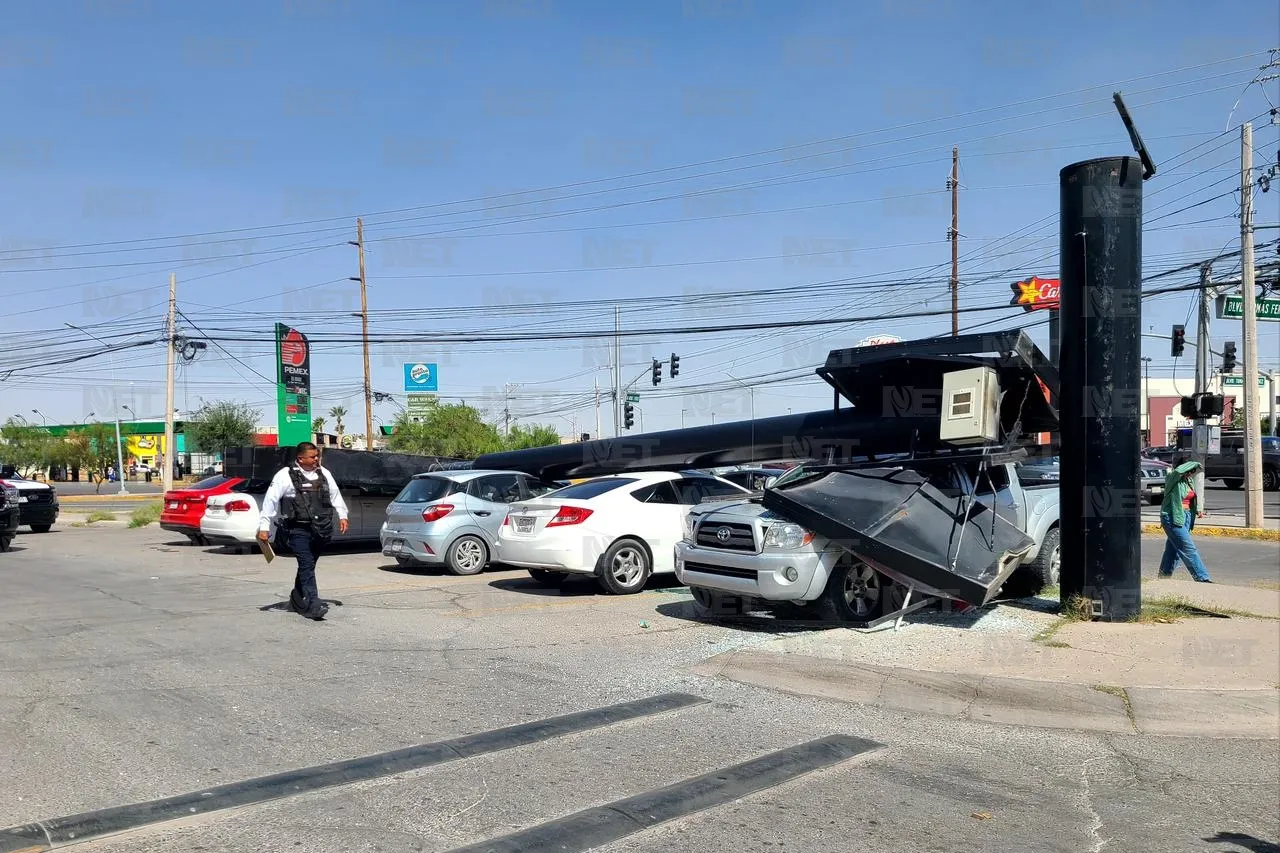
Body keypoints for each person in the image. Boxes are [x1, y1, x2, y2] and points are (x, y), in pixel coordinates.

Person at [257, 442, 350, 619]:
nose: (317, 459)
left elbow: (335, 494)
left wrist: (343, 515)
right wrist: (264, 526)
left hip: (320, 529)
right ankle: (313, 604)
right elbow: (271, 501)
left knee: (309, 566)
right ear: (301, 458)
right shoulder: (285, 475)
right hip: (297, 529)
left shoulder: (323, 473)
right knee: (306, 565)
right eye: (313, 456)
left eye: (317, 456)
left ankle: (297, 599)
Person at [1157, 460, 1212, 583]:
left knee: (1173, 550)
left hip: (1185, 516)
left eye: (1193, 471)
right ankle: (1202, 578)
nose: (1191, 473)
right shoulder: (1172, 478)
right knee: (1188, 548)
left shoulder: (1189, 481)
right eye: (1190, 470)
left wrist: (1198, 509)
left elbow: (1192, 497)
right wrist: (1193, 463)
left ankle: (1163, 578)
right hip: (1172, 517)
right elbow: (1178, 471)